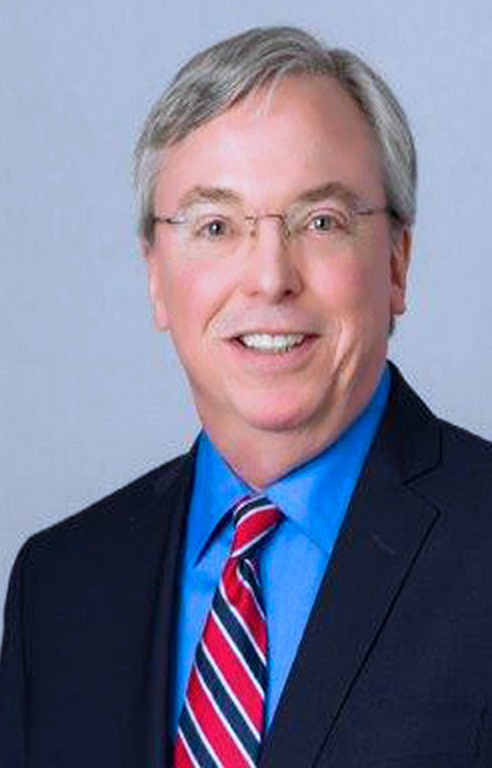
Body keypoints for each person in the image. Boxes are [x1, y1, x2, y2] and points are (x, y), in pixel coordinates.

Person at [1, 25, 492, 768]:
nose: (269, 278)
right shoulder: (58, 587)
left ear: (397, 262)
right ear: (155, 274)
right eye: (215, 226)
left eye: (320, 222)